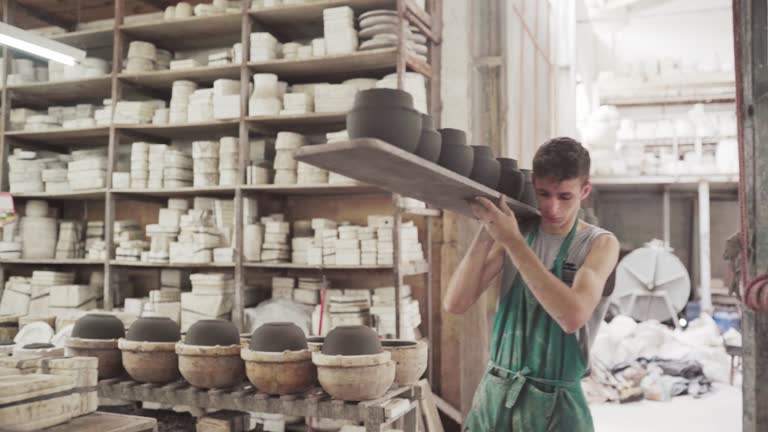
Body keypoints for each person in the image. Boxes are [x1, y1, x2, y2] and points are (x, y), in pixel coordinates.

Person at [444, 137, 620, 431]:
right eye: (543, 194)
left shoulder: (599, 244)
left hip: (557, 406)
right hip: (497, 393)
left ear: (584, 191)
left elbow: (572, 317)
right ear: (534, 183)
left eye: (565, 197)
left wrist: (512, 241)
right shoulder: (520, 234)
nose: (552, 207)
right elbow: (455, 303)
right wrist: (488, 231)